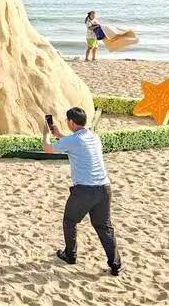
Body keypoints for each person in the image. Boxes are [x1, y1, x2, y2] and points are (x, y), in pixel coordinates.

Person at [42, 107, 122, 276]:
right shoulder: (94, 137)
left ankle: (70, 255)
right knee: (104, 226)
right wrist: (60, 135)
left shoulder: (73, 141)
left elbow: (47, 149)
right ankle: (115, 264)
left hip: (85, 190)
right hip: (104, 188)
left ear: (71, 122)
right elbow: (76, 144)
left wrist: (46, 134)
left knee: (69, 220)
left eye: (67, 121)